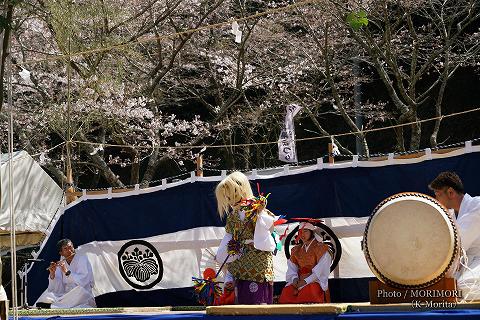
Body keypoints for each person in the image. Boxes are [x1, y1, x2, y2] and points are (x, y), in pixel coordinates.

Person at [214, 171, 276, 304]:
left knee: (256, 298)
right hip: (240, 261)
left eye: (232, 197)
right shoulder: (233, 215)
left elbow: (270, 225)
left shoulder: (256, 207)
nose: (230, 202)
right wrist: (221, 254)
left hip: (258, 260)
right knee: (242, 298)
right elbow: (229, 236)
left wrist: (260, 213)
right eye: (228, 198)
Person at [429, 171, 480, 300]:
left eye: (438, 195)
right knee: (444, 287)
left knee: (463, 286)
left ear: (451, 192)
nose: (436, 200)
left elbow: (457, 246)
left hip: (476, 260)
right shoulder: (452, 214)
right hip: (470, 262)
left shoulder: (477, 207)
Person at [279, 222, 332, 303]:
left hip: (314, 280)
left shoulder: (321, 248)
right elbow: (292, 267)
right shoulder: (296, 250)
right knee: (287, 291)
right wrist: (294, 279)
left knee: (308, 292)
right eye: (300, 232)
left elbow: (321, 271)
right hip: (299, 280)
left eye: (305, 231)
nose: (302, 234)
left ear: (312, 232)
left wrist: (305, 281)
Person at [36, 239, 96, 308]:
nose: (70, 250)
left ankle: (54, 306)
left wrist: (66, 271)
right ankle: (54, 306)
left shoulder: (82, 259)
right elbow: (56, 286)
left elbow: (83, 281)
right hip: (66, 295)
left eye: (70, 247)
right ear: (61, 253)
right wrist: (52, 274)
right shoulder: (61, 263)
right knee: (48, 294)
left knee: (78, 291)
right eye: (65, 249)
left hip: (82, 294)